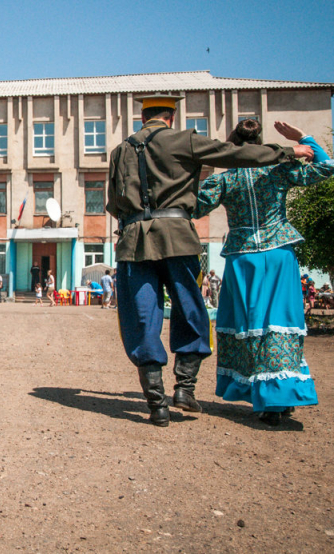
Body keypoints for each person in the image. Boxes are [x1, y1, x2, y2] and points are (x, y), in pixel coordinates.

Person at [107, 93, 313, 427]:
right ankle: (185, 388)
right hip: (179, 238)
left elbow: (114, 203)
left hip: (133, 243)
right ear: (171, 117)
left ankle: (156, 403)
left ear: (142, 118)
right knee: (191, 309)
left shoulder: (121, 151)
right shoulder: (183, 140)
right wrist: (290, 151)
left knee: (142, 317)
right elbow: (234, 153)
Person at [193, 119, 333, 426]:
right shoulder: (279, 170)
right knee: (279, 320)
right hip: (279, 251)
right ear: (262, 144)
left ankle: (264, 397)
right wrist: (302, 137)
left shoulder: (225, 180)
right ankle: (279, 396)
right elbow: (327, 167)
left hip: (244, 257)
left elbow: (194, 207)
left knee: (250, 322)